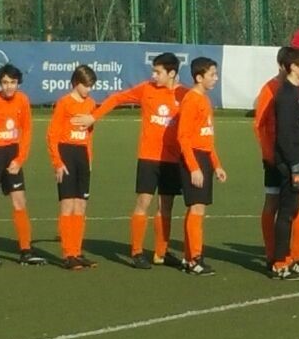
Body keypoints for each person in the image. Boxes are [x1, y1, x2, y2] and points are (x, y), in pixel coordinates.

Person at [76, 53, 187, 270]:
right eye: (153, 71)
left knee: (166, 206)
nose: (153, 75)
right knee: (143, 203)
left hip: (172, 160)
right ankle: (136, 252)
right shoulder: (147, 89)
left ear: (171, 73)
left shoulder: (185, 94)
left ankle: (161, 253)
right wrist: (94, 116)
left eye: (158, 72)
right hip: (148, 157)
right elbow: (117, 98)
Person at [0, 64, 46, 268]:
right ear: (0, 83)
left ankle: (25, 251)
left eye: (12, 82)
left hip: (12, 155)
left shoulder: (23, 100)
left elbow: (27, 131)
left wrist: (19, 159)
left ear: (18, 83)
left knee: (20, 201)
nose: (8, 87)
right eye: (5, 82)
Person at [255, 48, 299, 273]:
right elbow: (261, 126)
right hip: (280, 158)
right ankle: (278, 257)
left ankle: (294, 254)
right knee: (280, 206)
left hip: (294, 156)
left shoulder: (295, 89)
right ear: (287, 66)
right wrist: (276, 159)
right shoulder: (274, 91)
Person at [177, 57, 228, 275]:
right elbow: (183, 137)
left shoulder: (205, 100)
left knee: (198, 209)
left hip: (204, 158)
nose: (215, 78)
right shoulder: (191, 100)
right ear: (199, 77)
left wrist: (216, 165)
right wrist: (194, 167)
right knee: (197, 208)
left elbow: (208, 138)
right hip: (194, 158)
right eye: (212, 75)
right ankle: (194, 258)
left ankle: (191, 257)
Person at [47, 65, 98, 270]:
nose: (89, 90)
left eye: (91, 86)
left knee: (81, 205)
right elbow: (52, 135)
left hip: (82, 156)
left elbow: (89, 134)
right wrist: (57, 163)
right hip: (66, 153)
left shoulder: (91, 104)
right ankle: (68, 254)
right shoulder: (64, 103)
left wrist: (90, 157)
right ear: (76, 84)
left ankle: (77, 251)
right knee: (67, 205)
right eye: (86, 86)